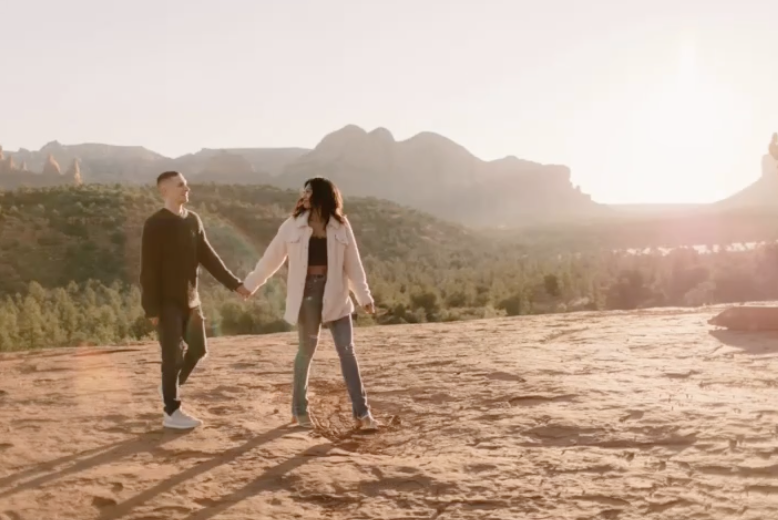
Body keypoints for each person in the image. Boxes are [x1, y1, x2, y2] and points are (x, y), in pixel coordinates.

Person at [238, 176, 379, 431]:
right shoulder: (292, 225)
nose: (303, 194)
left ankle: (362, 413)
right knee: (306, 351)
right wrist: (251, 284)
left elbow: (354, 265)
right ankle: (299, 411)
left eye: (309, 190)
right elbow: (271, 259)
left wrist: (364, 297)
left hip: (336, 293)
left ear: (322, 195)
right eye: (303, 190)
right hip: (307, 293)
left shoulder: (341, 226)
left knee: (347, 352)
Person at [140, 170, 250, 429]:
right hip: (167, 303)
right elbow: (148, 269)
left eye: (186, 185)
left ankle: (170, 388)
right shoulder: (154, 224)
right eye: (181, 185)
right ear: (164, 190)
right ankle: (172, 411)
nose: (186, 189)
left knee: (199, 350)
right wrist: (151, 308)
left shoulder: (193, 221)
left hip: (191, 300)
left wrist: (236, 285)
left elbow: (209, 257)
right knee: (172, 357)